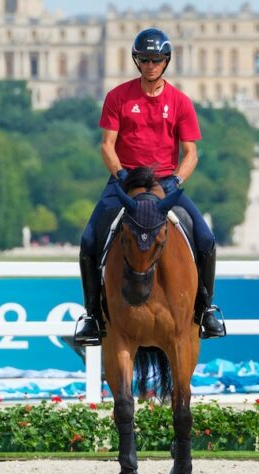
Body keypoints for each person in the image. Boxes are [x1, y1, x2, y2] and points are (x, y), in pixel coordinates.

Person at [74, 27, 226, 346]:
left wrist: (177, 182)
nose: (150, 65)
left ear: (166, 61)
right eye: (144, 59)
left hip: (165, 184)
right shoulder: (118, 96)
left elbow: (191, 153)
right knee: (89, 240)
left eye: (156, 59)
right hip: (126, 180)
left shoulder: (180, 101)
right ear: (136, 61)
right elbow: (106, 145)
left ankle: (206, 309)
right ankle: (91, 315)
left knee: (206, 239)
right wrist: (118, 175)